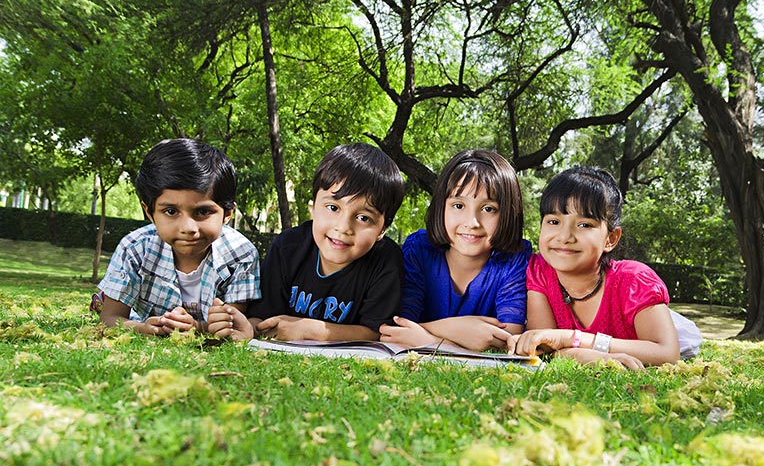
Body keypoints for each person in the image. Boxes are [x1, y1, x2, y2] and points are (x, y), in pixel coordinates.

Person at [226, 142, 405, 341]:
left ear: (382, 229)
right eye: (333, 208)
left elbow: (376, 332)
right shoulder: (286, 248)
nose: (343, 227)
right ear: (313, 207)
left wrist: (309, 330)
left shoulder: (385, 261)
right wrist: (242, 326)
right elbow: (262, 318)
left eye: (363, 218)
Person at [508, 167, 681, 369]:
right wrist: (581, 355)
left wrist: (573, 339)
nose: (564, 237)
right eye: (554, 221)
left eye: (584, 225)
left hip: (666, 327)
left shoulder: (634, 280)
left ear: (611, 238)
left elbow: (668, 353)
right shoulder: (540, 272)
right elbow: (542, 346)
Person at [96, 138, 260, 338]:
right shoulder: (135, 249)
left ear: (227, 213)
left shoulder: (241, 254)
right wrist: (144, 329)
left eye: (203, 211)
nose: (188, 228)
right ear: (149, 212)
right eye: (171, 211)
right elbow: (109, 319)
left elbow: (230, 324)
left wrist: (197, 328)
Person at [379, 149, 531, 351]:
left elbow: (509, 338)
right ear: (440, 207)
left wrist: (426, 336)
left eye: (489, 209)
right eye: (458, 205)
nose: (472, 222)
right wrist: (460, 329)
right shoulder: (420, 249)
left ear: (508, 214)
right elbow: (397, 329)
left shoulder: (514, 258)